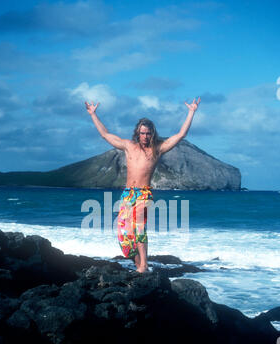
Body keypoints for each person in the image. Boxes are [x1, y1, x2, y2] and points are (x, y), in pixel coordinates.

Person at [85, 97, 201, 273]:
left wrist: (191, 112)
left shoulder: (157, 150)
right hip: (127, 194)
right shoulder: (129, 146)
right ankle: (139, 265)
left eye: (148, 133)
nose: (145, 136)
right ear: (137, 133)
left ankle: (144, 265)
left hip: (144, 194)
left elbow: (180, 135)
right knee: (124, 234)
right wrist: (93, 114)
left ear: (152, 133)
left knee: (139, 227)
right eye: (142, 133)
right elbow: (105, 134)